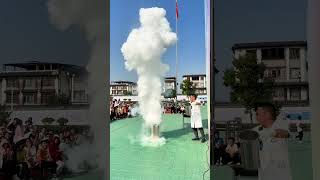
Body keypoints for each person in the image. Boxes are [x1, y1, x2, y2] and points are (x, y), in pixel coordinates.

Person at [253, 102, 292, 180]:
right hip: (264, 175)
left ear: (267, 115)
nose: (256, 117)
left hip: (281, 175)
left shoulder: (281, 124)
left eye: (257, 114)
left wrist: (270, 133)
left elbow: (286, 134)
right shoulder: (255, 130)